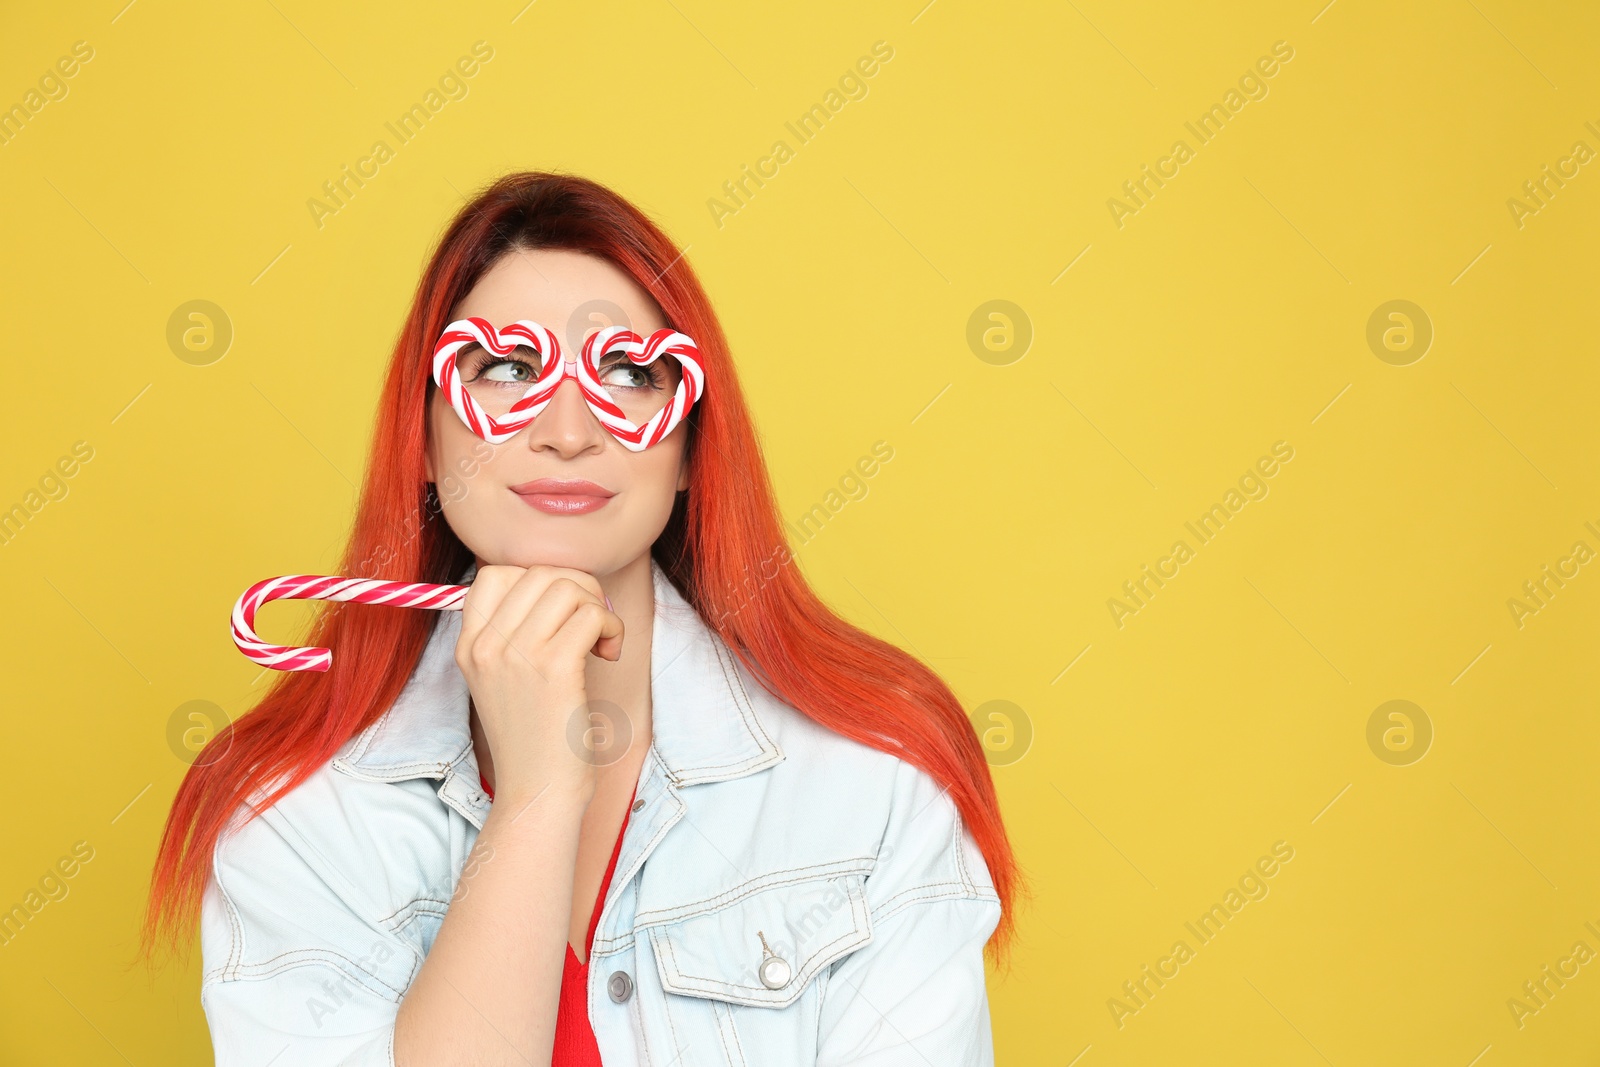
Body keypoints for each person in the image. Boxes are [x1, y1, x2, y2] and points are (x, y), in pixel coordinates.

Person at [140, 171, 1019, 1066]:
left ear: (686, 450)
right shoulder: (296, 816)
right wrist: (536, 798)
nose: (567, 429)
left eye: (630, 373)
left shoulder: (870, 786)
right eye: (508, 368)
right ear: (425, 441)